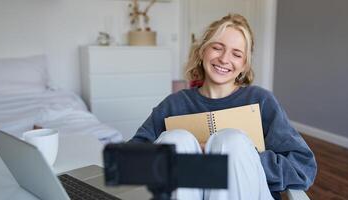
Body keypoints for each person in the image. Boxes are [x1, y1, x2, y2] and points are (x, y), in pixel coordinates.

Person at [128, 13, 317, 200]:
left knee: (232, 142)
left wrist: (246, 159)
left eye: (236, 54)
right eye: (217, 48)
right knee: (175, 141)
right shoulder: (174, 104)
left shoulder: (261, 101)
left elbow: (303, 168)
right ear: (202, 52)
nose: (224, 59)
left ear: (244, 65)